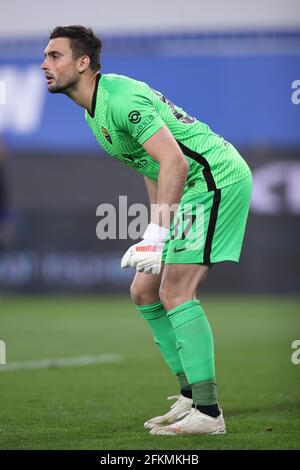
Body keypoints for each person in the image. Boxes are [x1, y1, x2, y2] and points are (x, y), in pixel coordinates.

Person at [41, 25, 252, 436]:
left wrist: (157, 234)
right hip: (190, 187)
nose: (44, 64)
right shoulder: (94, 109)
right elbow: (152, 167)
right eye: (45, 56)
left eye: (55, 56)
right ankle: (191, 396)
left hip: (214, 181)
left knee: (176, 291)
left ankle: (209, 415)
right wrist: (155, 229)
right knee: (144, 290)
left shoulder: (120, 100)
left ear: (83, 63)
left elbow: (177, 163)